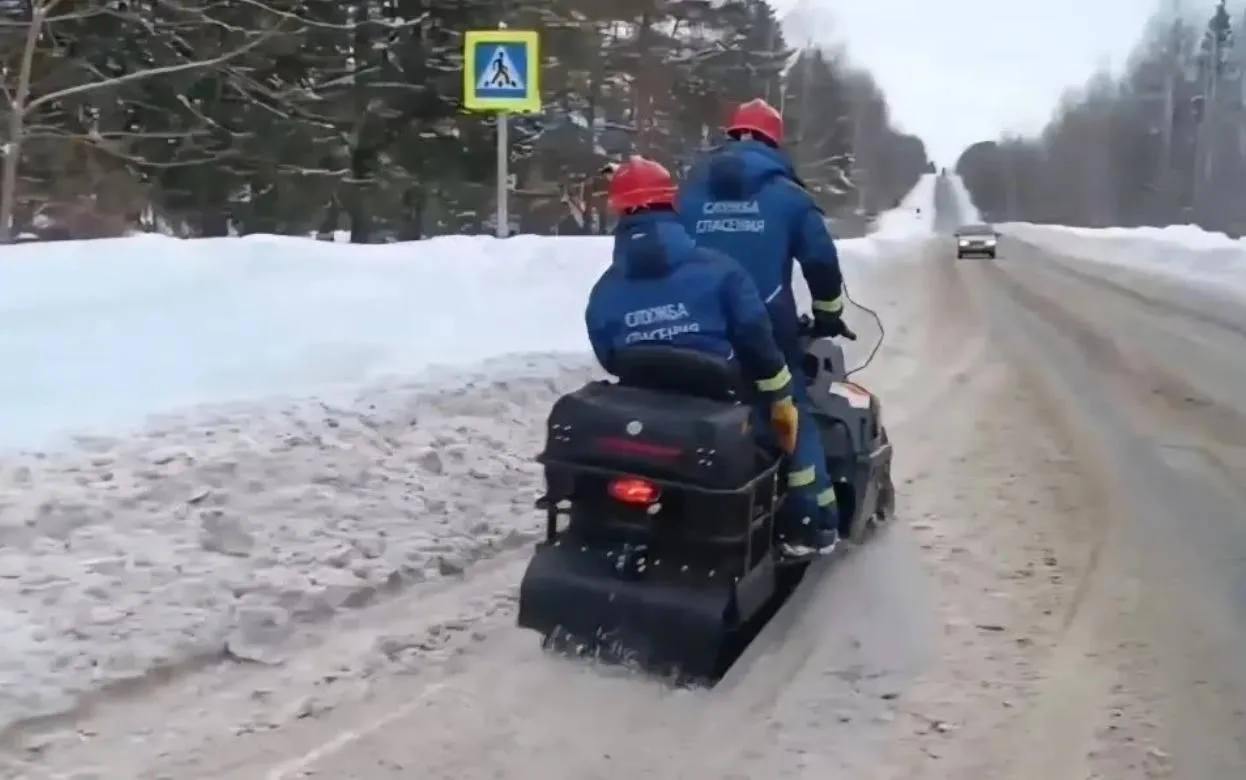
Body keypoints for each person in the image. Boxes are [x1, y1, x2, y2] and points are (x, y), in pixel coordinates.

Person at [585, 156, 837, 558]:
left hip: (648, 415)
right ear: (672, 204)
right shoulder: (723, 273)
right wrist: (780, 392)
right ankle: (805, 526)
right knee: (791, 422)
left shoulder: (605, 291)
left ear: (618, 211)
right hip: (722, 406)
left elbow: (609, 355)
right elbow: (757, 342)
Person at [675, 98, 849, 549]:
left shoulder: (689, 192)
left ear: (731, 135)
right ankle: (811, 524)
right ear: (774, 141)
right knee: (790, 411)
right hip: (764, 332)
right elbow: (821, 264)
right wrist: (829, 313)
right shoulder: (789, 197)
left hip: (691, 325)